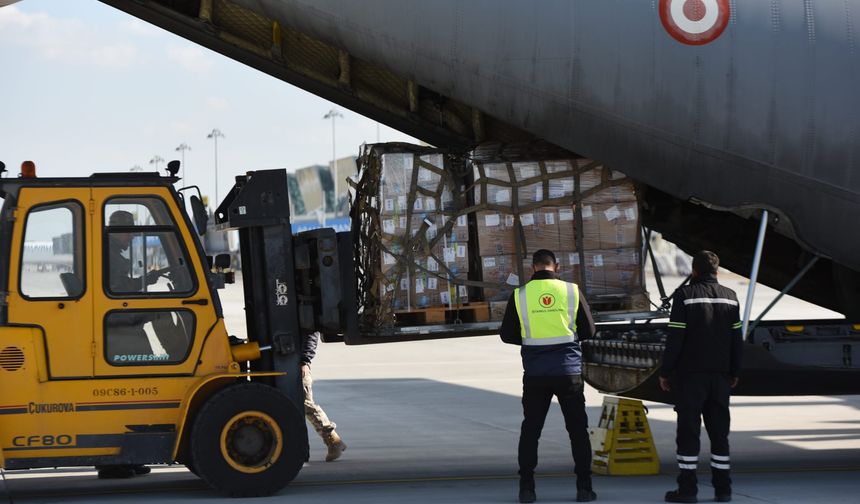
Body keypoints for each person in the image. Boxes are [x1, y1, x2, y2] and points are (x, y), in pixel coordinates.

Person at [500, 249, 597, 503]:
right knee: (577, 431)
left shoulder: (519, 295)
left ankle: (527, 489)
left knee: (531, 430)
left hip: (536, 373)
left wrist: (532, 340)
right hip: (568, 372)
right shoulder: (571, 291)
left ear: (533, 267)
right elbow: (589, 330)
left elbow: (507, 335)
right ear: (557, 265)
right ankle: (584, 488)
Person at [659, 250, 743, 503]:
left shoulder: (685, 296)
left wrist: (666, 371)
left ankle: (687, 490)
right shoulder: (731, 297)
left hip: (691, 377)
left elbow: (675, 338)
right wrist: (735, 371)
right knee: (719, 434)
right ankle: (723, 489)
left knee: (688, 433)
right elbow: (736, 341)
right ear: (716, 271)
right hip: (719, 377)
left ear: (694, 271)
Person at [302, 331, 347, 462]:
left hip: (300, 365)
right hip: (289, 361)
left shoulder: (304, 314)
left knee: (306, 405)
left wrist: (305, 360)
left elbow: (311, 335)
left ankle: (333, 441)